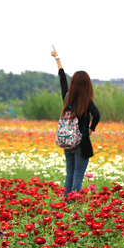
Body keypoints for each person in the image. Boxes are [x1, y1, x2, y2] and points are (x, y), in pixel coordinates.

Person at [51, 46, 100, 200]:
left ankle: (65, 204)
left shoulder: (67, 98)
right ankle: (73, 206)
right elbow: (97, 115)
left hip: (68, 142)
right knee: (78, 176)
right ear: (87, 85)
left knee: (70, 175)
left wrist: (57, 59)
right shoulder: (86, 101)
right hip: (81, 143)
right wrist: (91, 128)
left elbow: (62, 79)